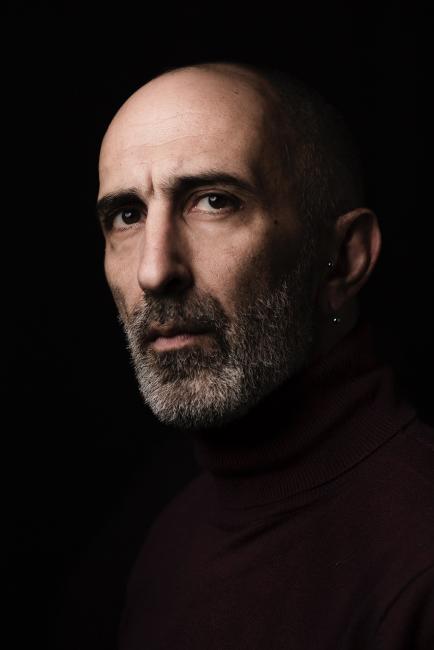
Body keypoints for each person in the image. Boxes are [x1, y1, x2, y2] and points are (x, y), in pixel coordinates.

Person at [96, 61, 434, 649]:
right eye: (128, 215)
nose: (154, 271)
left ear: (344, 259)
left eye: (213, 201)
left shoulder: (418, 563)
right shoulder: (172, 538)